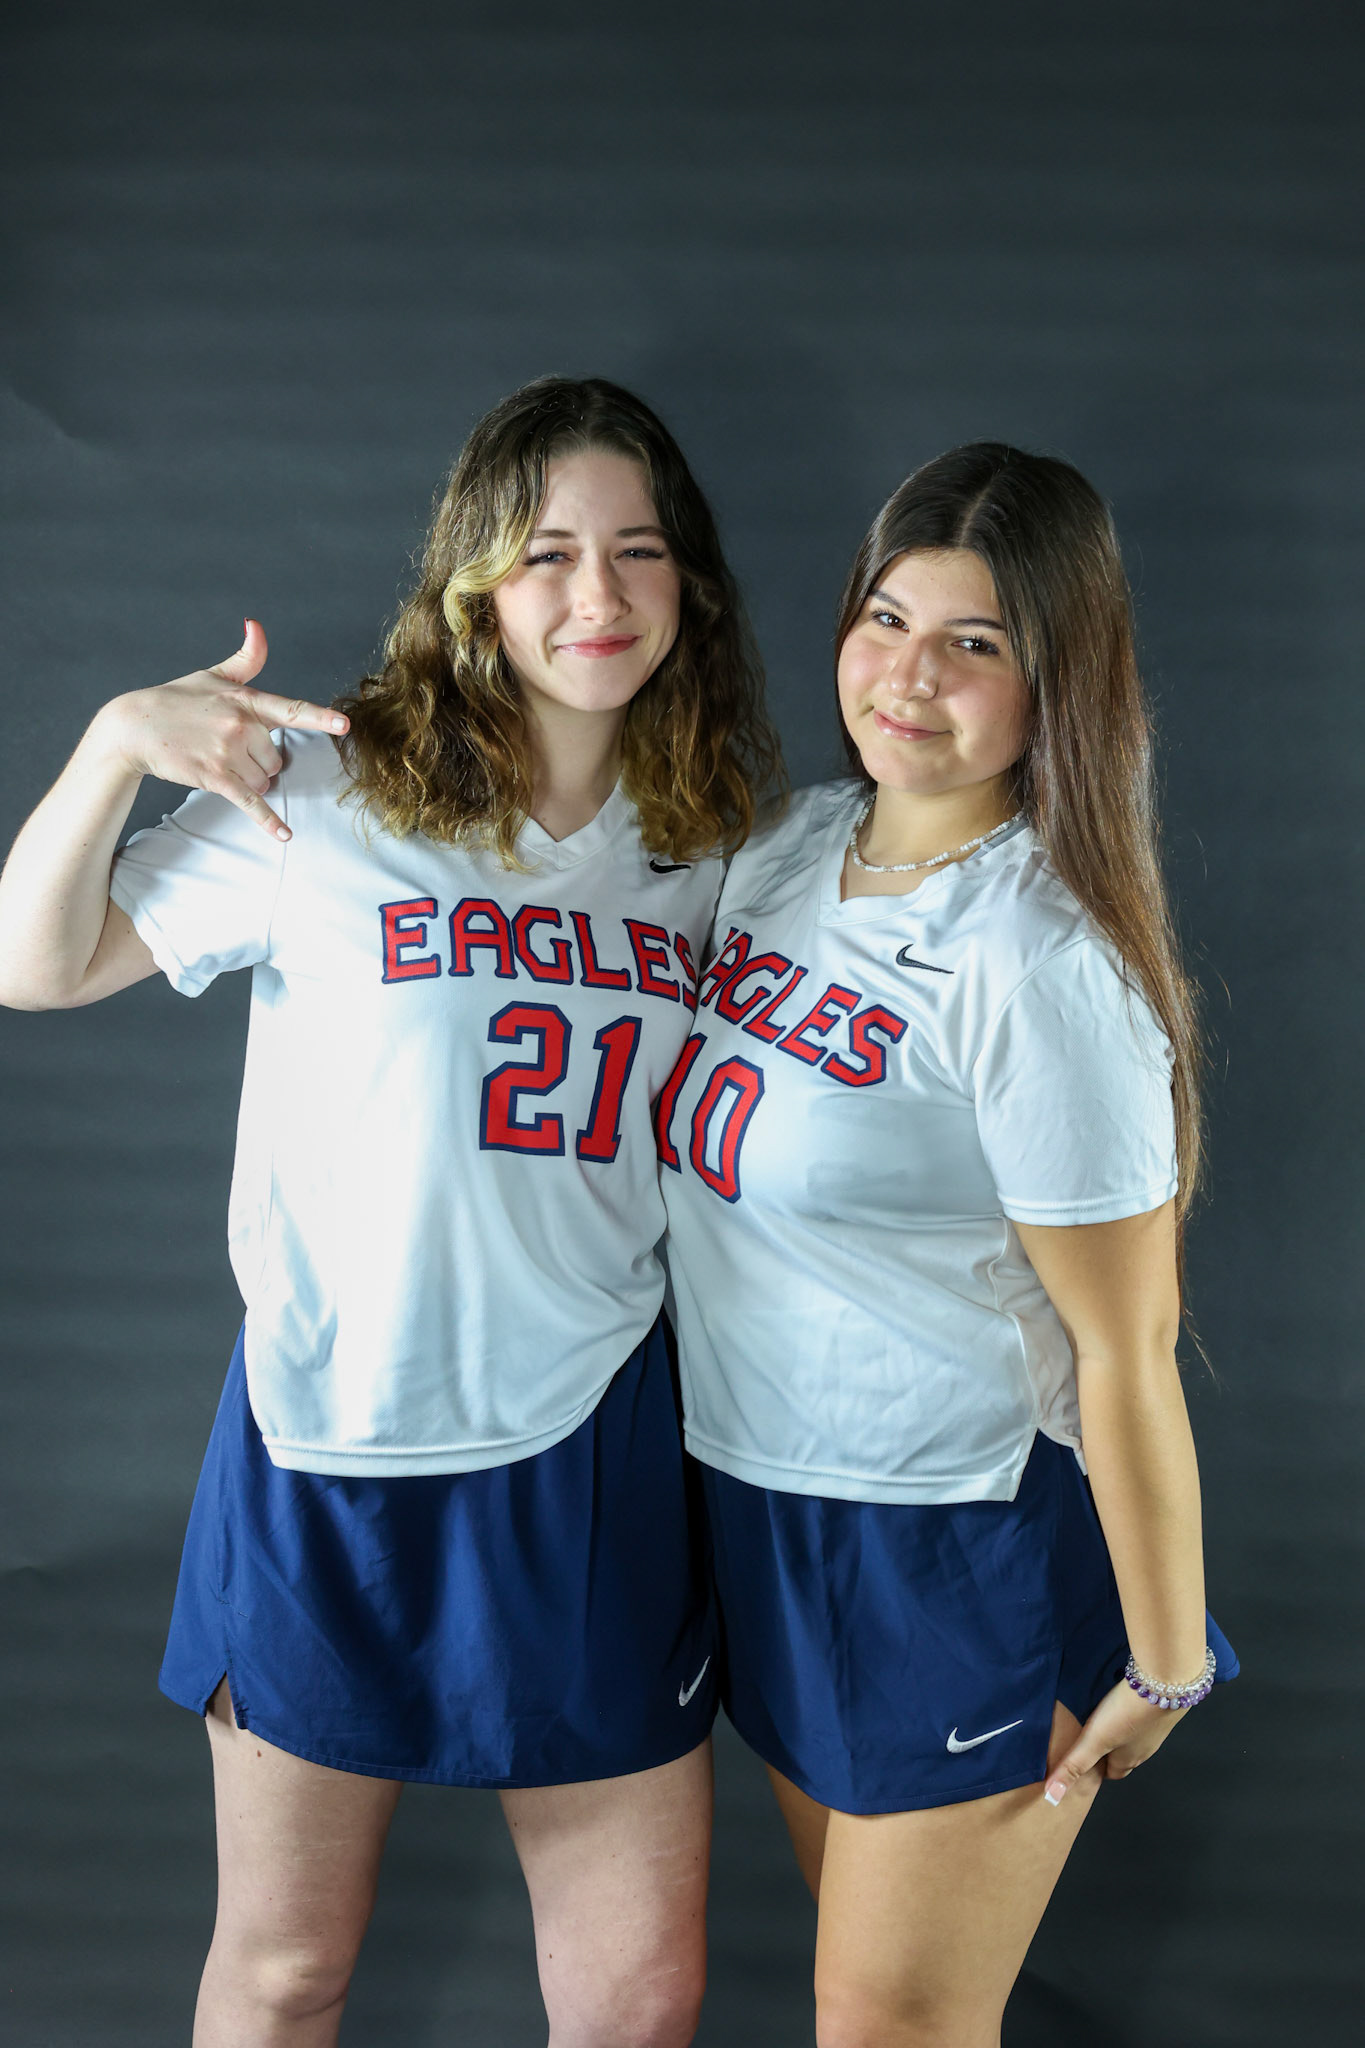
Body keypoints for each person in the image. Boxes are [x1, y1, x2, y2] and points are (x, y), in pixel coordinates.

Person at [0, 376, 782, 2048]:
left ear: (689, 584)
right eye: (548, 552)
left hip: (589, 1441)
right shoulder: (329, 791)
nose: (596, 593)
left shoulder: (715, 844)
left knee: (638, 1998)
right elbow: (32, 965)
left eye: (638, 550)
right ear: (476, 580)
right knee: (288, 1972)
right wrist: (113, 745)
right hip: (331, 1436)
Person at [657, 442, 1238, 2047]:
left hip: (951, 1538)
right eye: (885, 620)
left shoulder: (1036, 960)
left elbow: (1123, 1345)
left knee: (889, 2026)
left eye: (972, 643)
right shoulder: (783, 854)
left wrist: (1166, 1659)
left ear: (1057, 680)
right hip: (762, 1511)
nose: (908, 677)